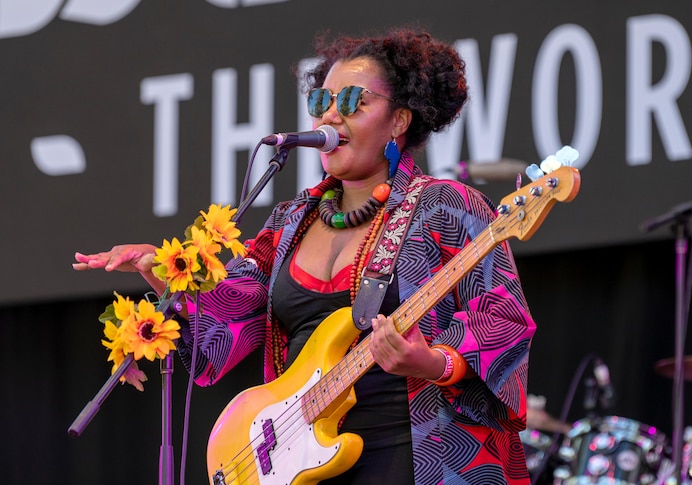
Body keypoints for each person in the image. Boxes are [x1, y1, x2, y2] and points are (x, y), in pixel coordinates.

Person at [73, 27, 536, 484]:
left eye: (353, 102)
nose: (331, 117)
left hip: (419, 457)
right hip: (303, 464)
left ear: (398, 120)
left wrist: (432, 363)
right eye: (321, 103)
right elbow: (219, 331)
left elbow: (504, 319)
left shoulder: (444, 205)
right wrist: (160, 273)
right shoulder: (288, 222)